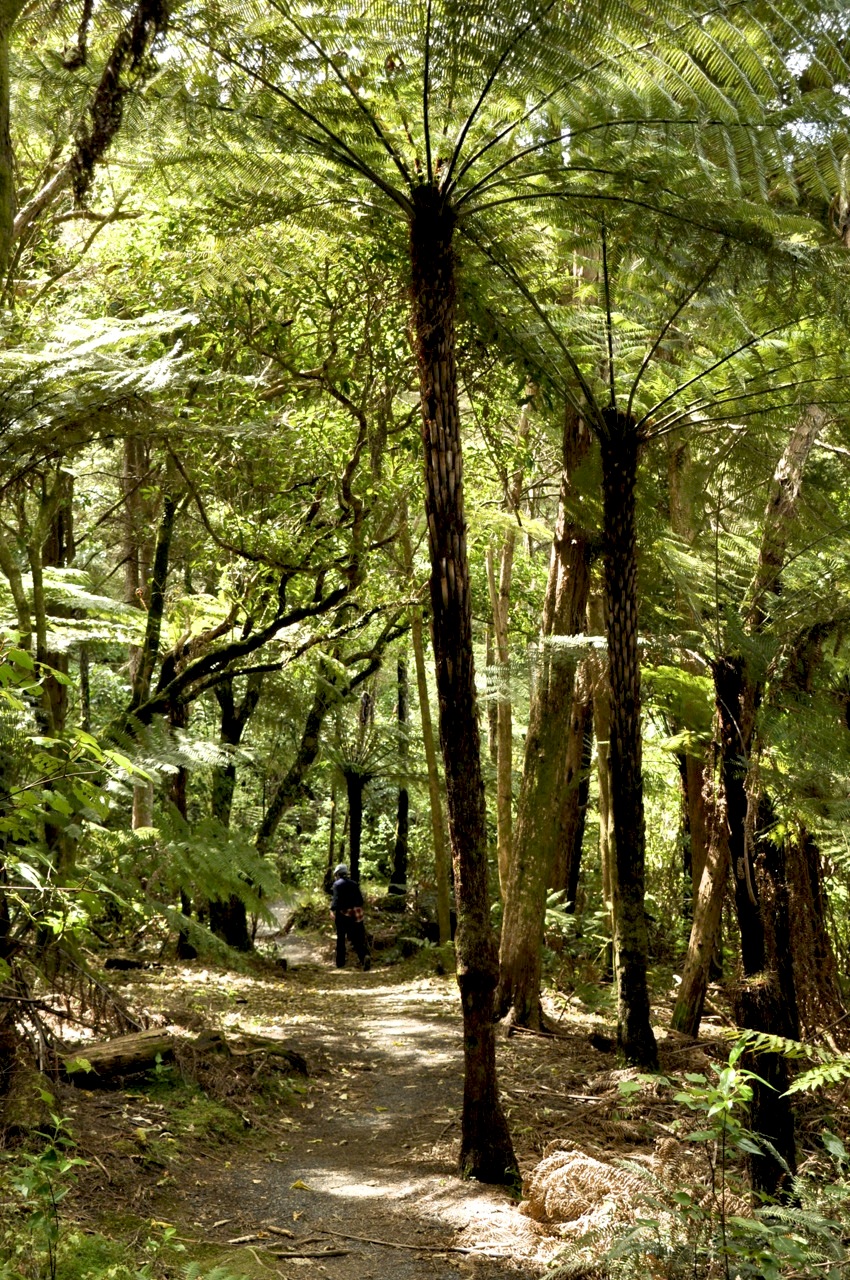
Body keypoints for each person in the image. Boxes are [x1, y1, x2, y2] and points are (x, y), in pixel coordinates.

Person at [330, 864, 371, 970]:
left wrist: (332, 910)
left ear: (338, 874)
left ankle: (340, 963)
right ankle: (364, 957)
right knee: (357, 938)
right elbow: (361, 901)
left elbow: (336, 900)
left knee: (341, 938)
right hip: (356, 914)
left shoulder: (337, 884)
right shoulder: (354, 884)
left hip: (342, 915)